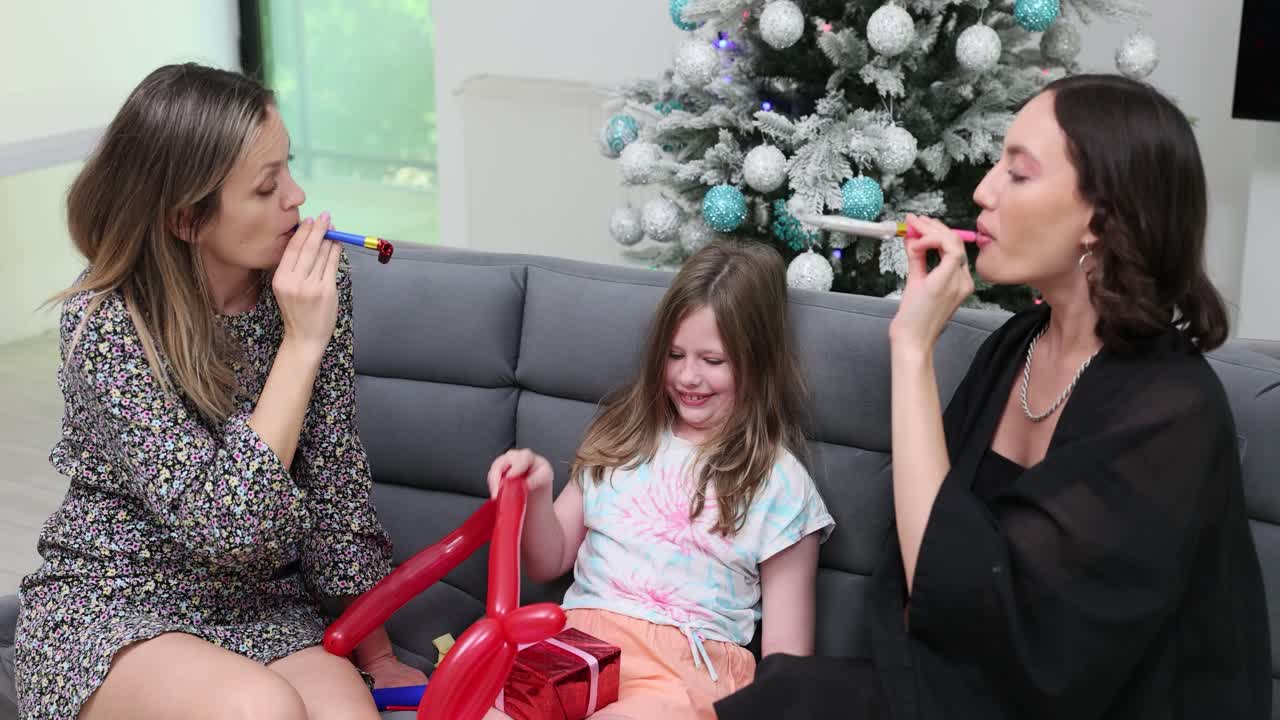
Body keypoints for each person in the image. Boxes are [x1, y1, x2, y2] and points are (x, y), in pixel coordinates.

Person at [714, 73, 1271, 719]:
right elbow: (925, 575)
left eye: (1020, 173)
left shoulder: (1173, 409)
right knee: (783, 696)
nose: (983, 190)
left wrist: (914, 350)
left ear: (1102, 217)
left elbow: (1011, 627)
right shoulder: (1017, 345)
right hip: (970, 688)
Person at [14, 64, 424, 720]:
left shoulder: (311, 290)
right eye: (267, 187)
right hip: (117, 601)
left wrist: (375, 655)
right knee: (259, 709)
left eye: (288, 168)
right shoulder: (109, 320)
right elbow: (228, 526)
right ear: (186, 218)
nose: (296, 197)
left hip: (260, 604)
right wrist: (301, 345)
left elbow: (334, 476)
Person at [485, 241, 835, 720]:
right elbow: (549, 560)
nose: (689, 376)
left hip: (682, 671)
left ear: (759, 362)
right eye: (675, 355)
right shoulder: (621, 437)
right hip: (573, 649)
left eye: (714, 361)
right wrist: (536, 494)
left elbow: (786, 659)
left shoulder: (781, 485)